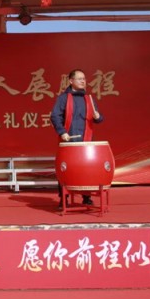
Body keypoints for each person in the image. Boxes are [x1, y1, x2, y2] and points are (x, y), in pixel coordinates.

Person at [50, 69, 103, 209]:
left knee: (87, 168)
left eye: (84, 79)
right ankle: (64, 199)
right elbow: (55, 116)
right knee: (65, 169)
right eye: (79, 79)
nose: (83, 81)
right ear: (71, 81)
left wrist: (98, 117)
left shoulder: (88, 98)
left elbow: (98, 118)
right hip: (69, 140)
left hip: (86, 139)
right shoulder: (63, 98)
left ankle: (87, 197)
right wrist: (62, 132)